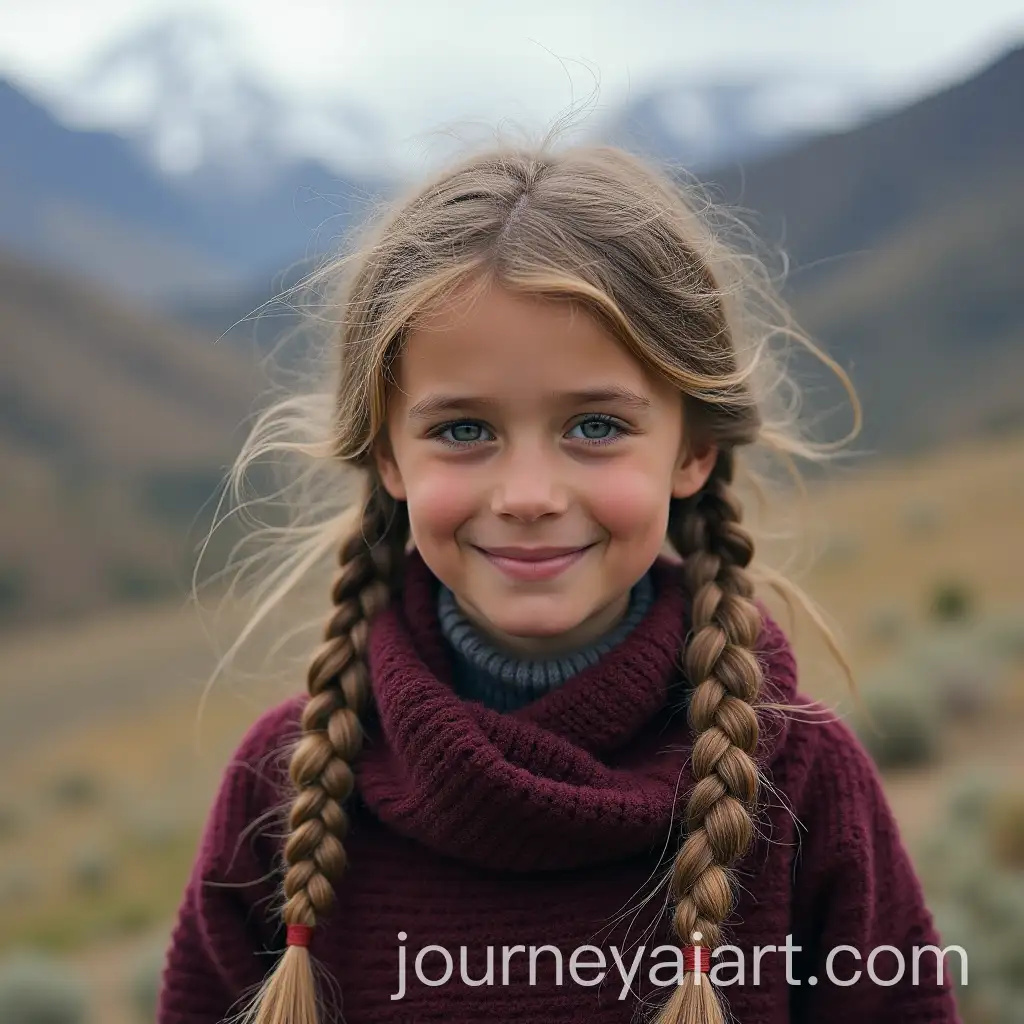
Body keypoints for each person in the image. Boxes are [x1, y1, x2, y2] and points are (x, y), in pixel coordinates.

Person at [157, 139, 961, 1024]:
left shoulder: (804, 786)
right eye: (464, 431)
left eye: (594, 425)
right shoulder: (284, 792)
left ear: (692, 448)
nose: (530, 497)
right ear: (387, 454)